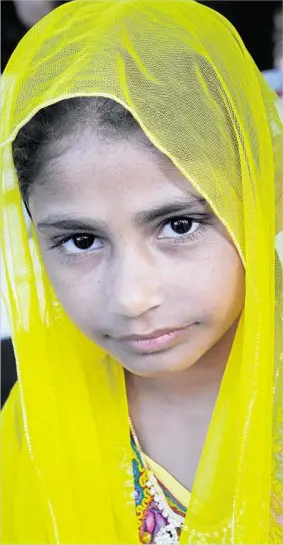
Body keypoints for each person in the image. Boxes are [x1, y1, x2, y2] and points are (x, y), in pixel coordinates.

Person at [1, 1, 282, 543]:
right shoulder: (38, 424)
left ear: (258, 194)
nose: (131, 297)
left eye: (179, 226)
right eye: (80, 241)